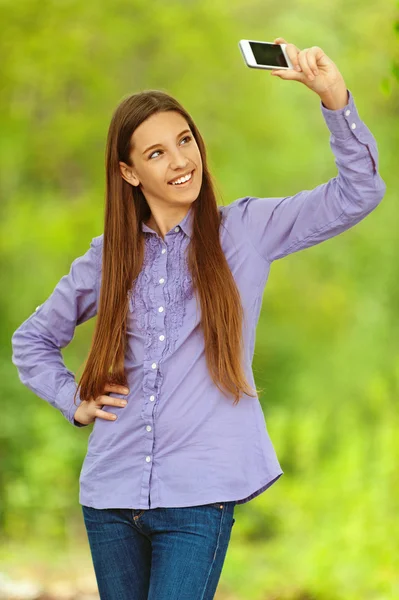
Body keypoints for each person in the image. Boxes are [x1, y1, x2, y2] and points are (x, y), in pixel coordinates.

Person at [11, 37, 386, 600]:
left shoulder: (247, 231)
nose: (181, 160)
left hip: (199, 496)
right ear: (129, 172)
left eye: (184, 141)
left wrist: (335, 99)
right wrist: (74, 400)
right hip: (110, 496)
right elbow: (32, 341)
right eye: (157, 152)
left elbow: (359, 193)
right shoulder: (107, 257)